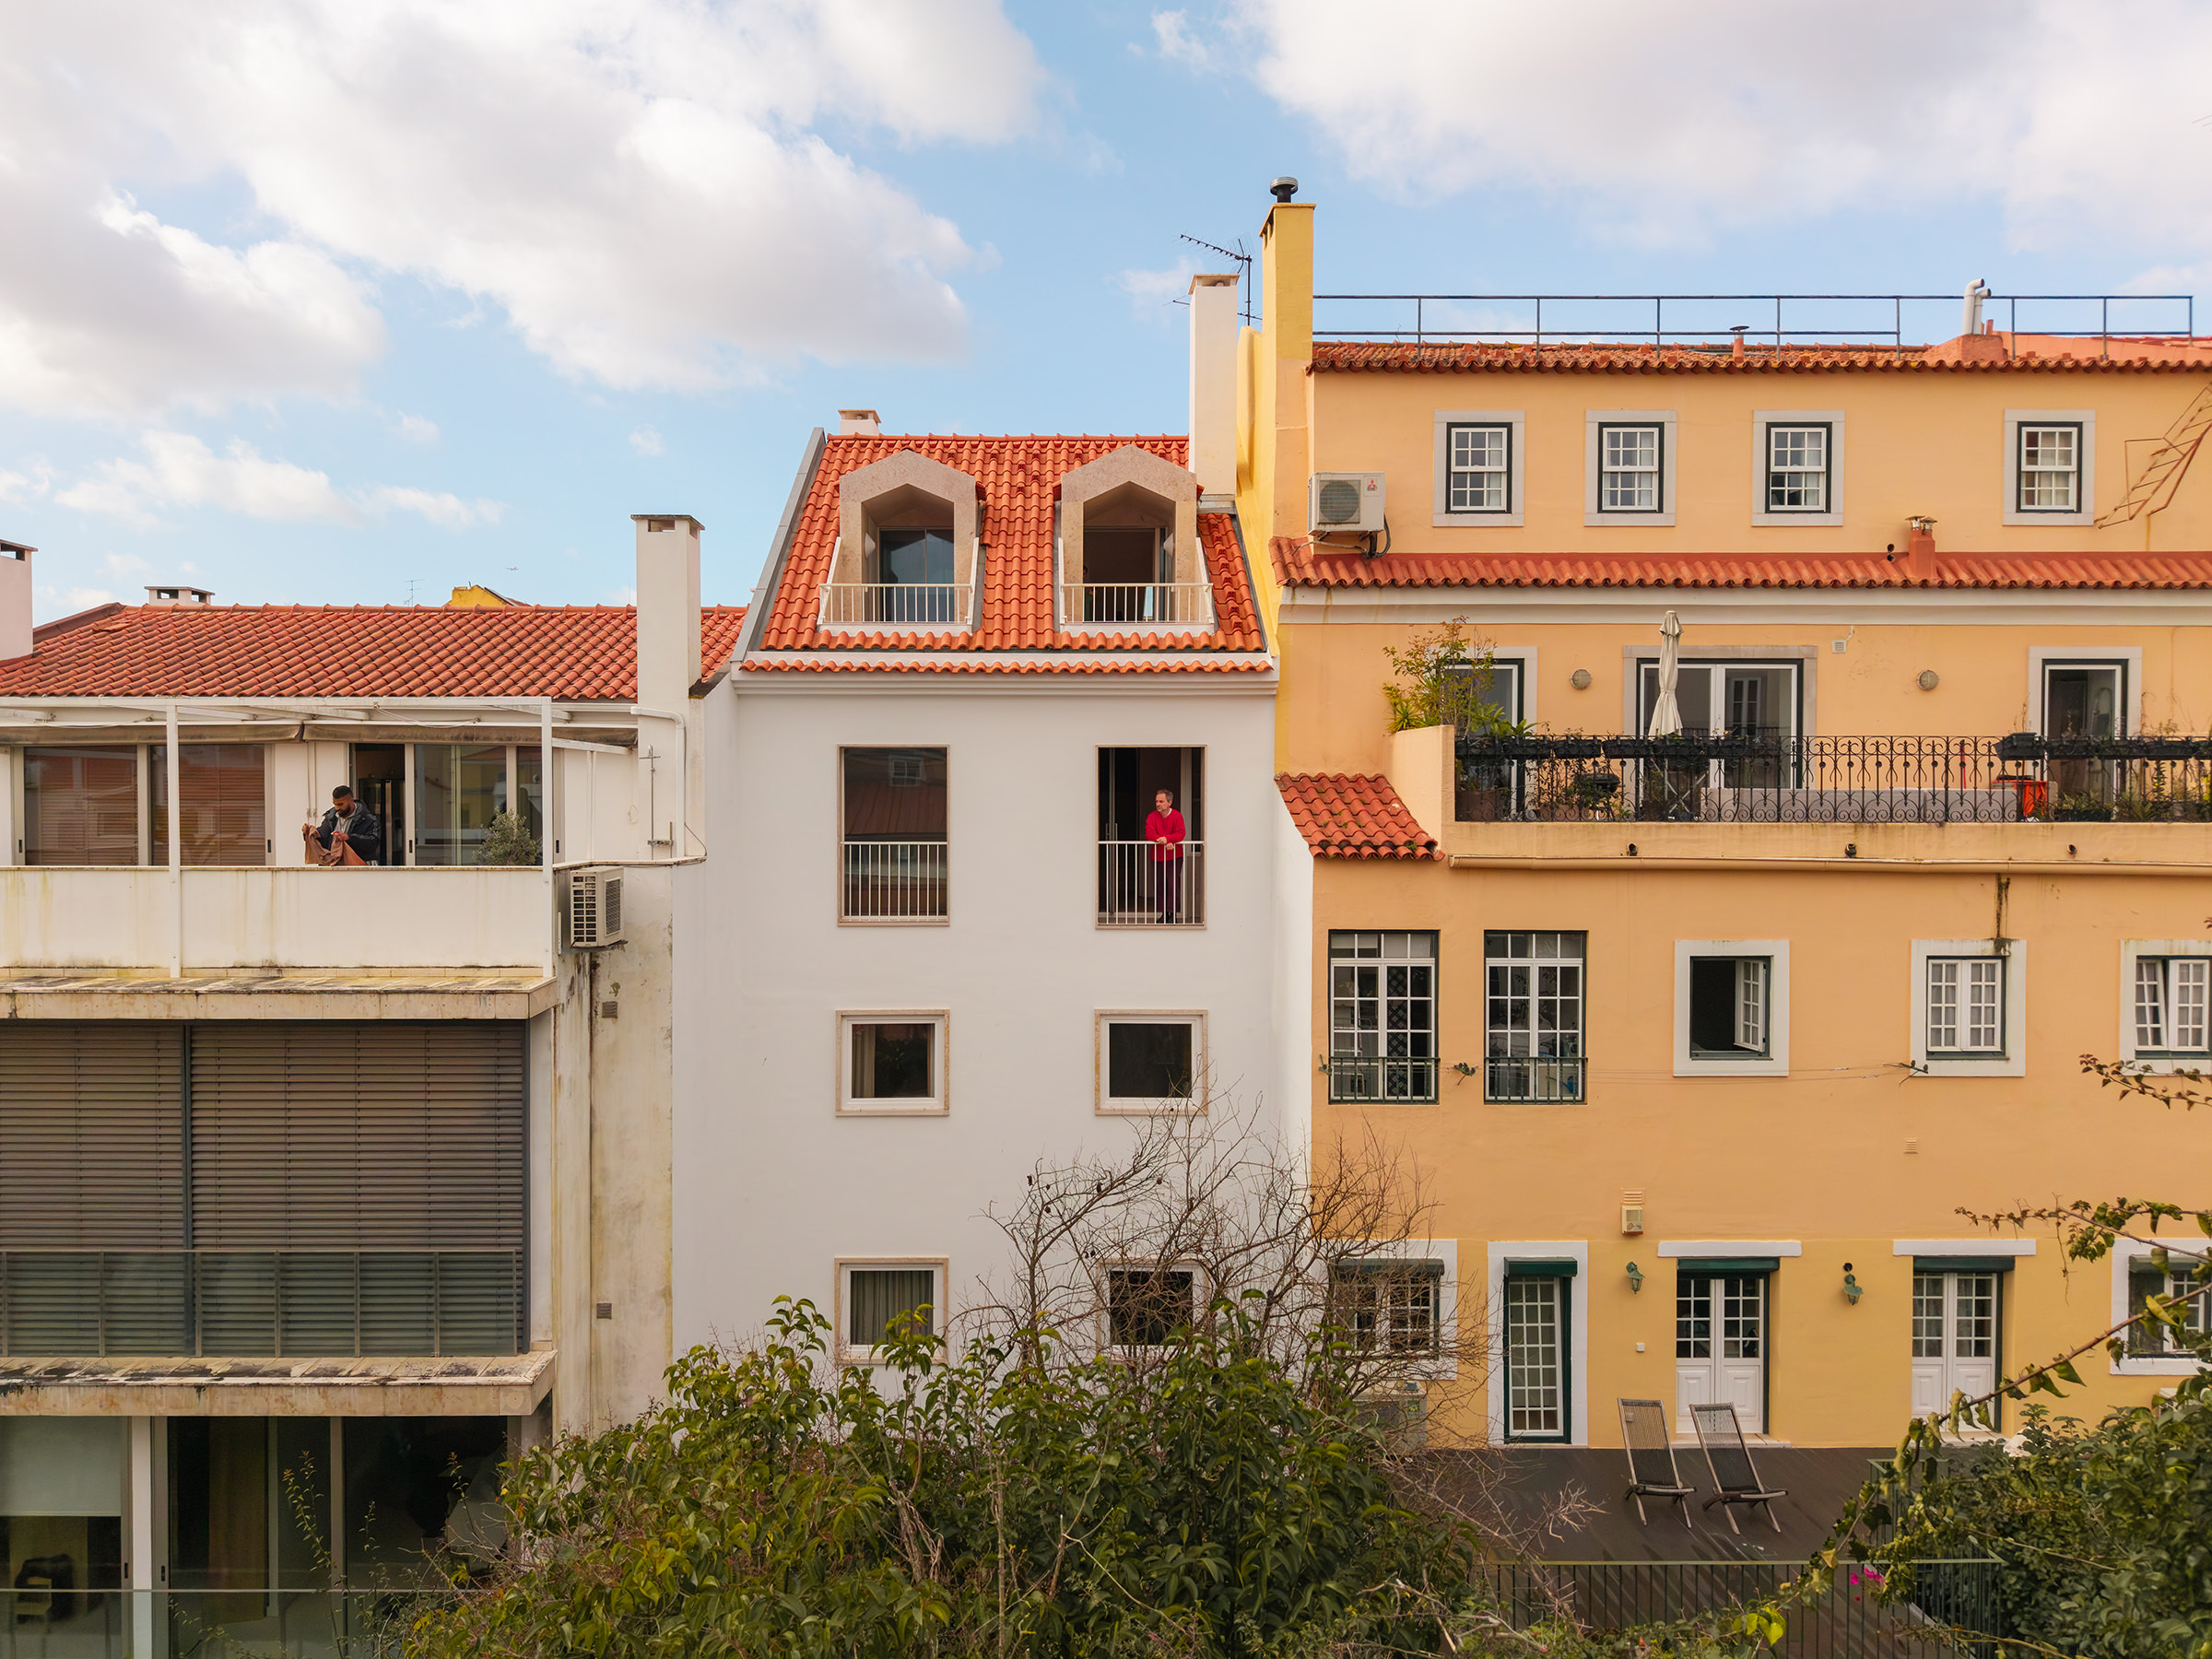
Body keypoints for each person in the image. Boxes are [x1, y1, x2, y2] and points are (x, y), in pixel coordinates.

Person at [305, 785, 384, 866]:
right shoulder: (331, 817)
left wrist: (348, 838)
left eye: (340, 804)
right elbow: (323, 839)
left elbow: (373, 843)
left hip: (359, 869)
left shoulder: (370, 820)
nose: (337, 808)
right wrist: (311, 834)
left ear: (351, 801)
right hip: (334, 868)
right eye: (335, 804)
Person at [1144, 787, 1186, 924]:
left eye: (1161, 801)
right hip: (1157, 857)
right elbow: (1148, 833)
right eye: (1157, 801)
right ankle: (1164, 913)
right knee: (1160, 886)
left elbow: (1181, 833)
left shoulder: (1177, 816)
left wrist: (1168, 839)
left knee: (1173, 885)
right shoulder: (1152, 816)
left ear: (1169, 802)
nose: (1158, 804)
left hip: (1175, 857)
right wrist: (1163, 840)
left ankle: (1173, 915)